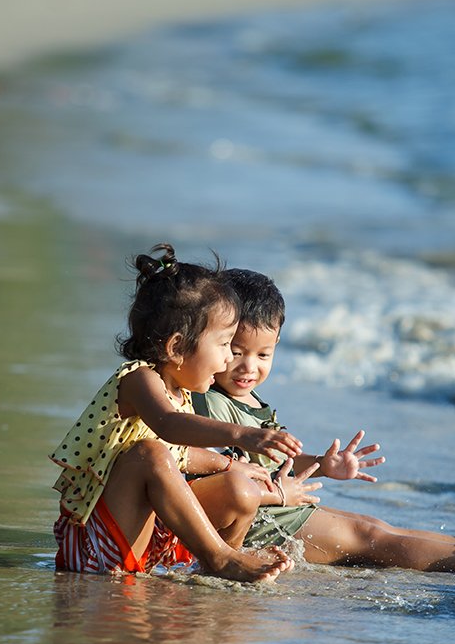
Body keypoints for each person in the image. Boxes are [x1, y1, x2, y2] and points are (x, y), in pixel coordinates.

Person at [192, 268, 455, 575]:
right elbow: (223, 475)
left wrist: (322, 465)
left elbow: (272, 465)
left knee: (377, 525)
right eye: (236, 352)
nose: (248, 367)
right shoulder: (208, 400)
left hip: (279, 508)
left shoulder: (248, 400)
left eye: (263, 354)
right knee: (368, 537)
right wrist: (281, 493)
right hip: (258, 525)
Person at [50, 244, 306, 583]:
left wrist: (233, 465)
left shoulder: (180, 390)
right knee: (147, 453)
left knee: (238, 487)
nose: (229, 359)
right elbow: (169, 428)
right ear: (175, 347)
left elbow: (181, 454)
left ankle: (219, 566)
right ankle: (221, 558)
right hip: (96, 548)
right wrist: (243, 434)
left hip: (149, 546)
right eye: (224, 344)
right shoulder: (139, 380)